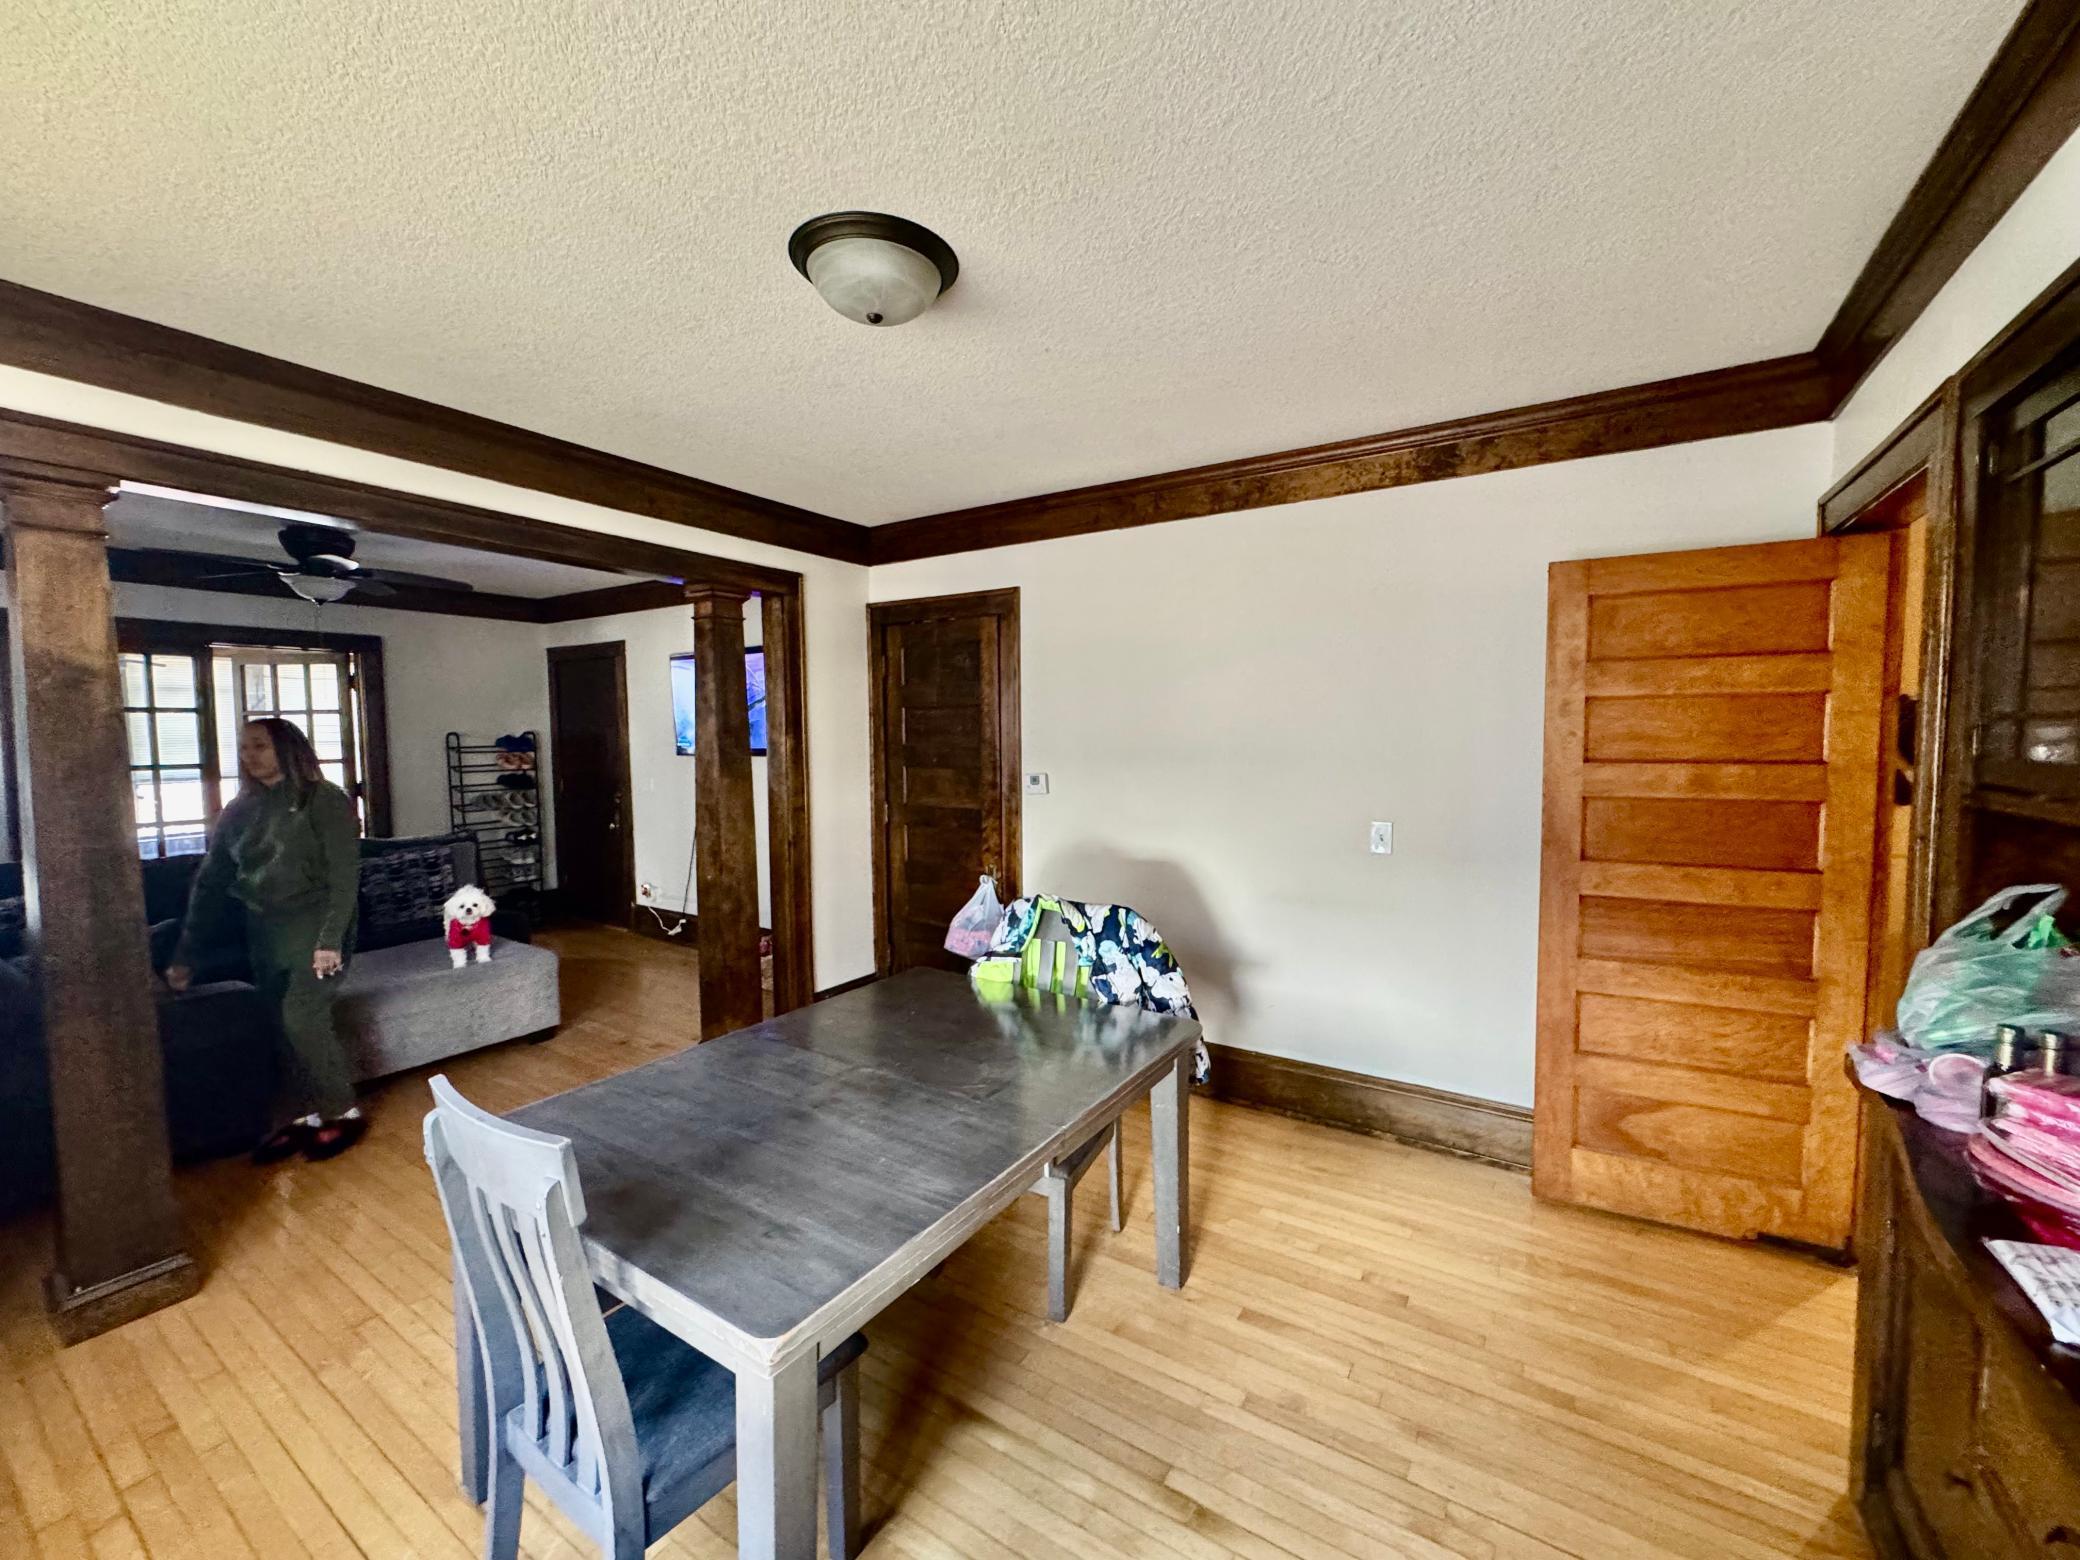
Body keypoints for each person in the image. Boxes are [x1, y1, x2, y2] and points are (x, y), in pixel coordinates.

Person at [167, 717, 366, 1162]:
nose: (249, 756)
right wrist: (186, 951)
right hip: (264, 930)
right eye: (243, 748)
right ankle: (305, 1114)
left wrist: (330, 939)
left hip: (316, 927)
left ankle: (343, 1111)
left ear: (286, 748)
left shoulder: (324, 800)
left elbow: (344, 875)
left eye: (259, 746)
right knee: (277, 1021)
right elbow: (211, 880)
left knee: (302, 1017)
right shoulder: (239, 811)